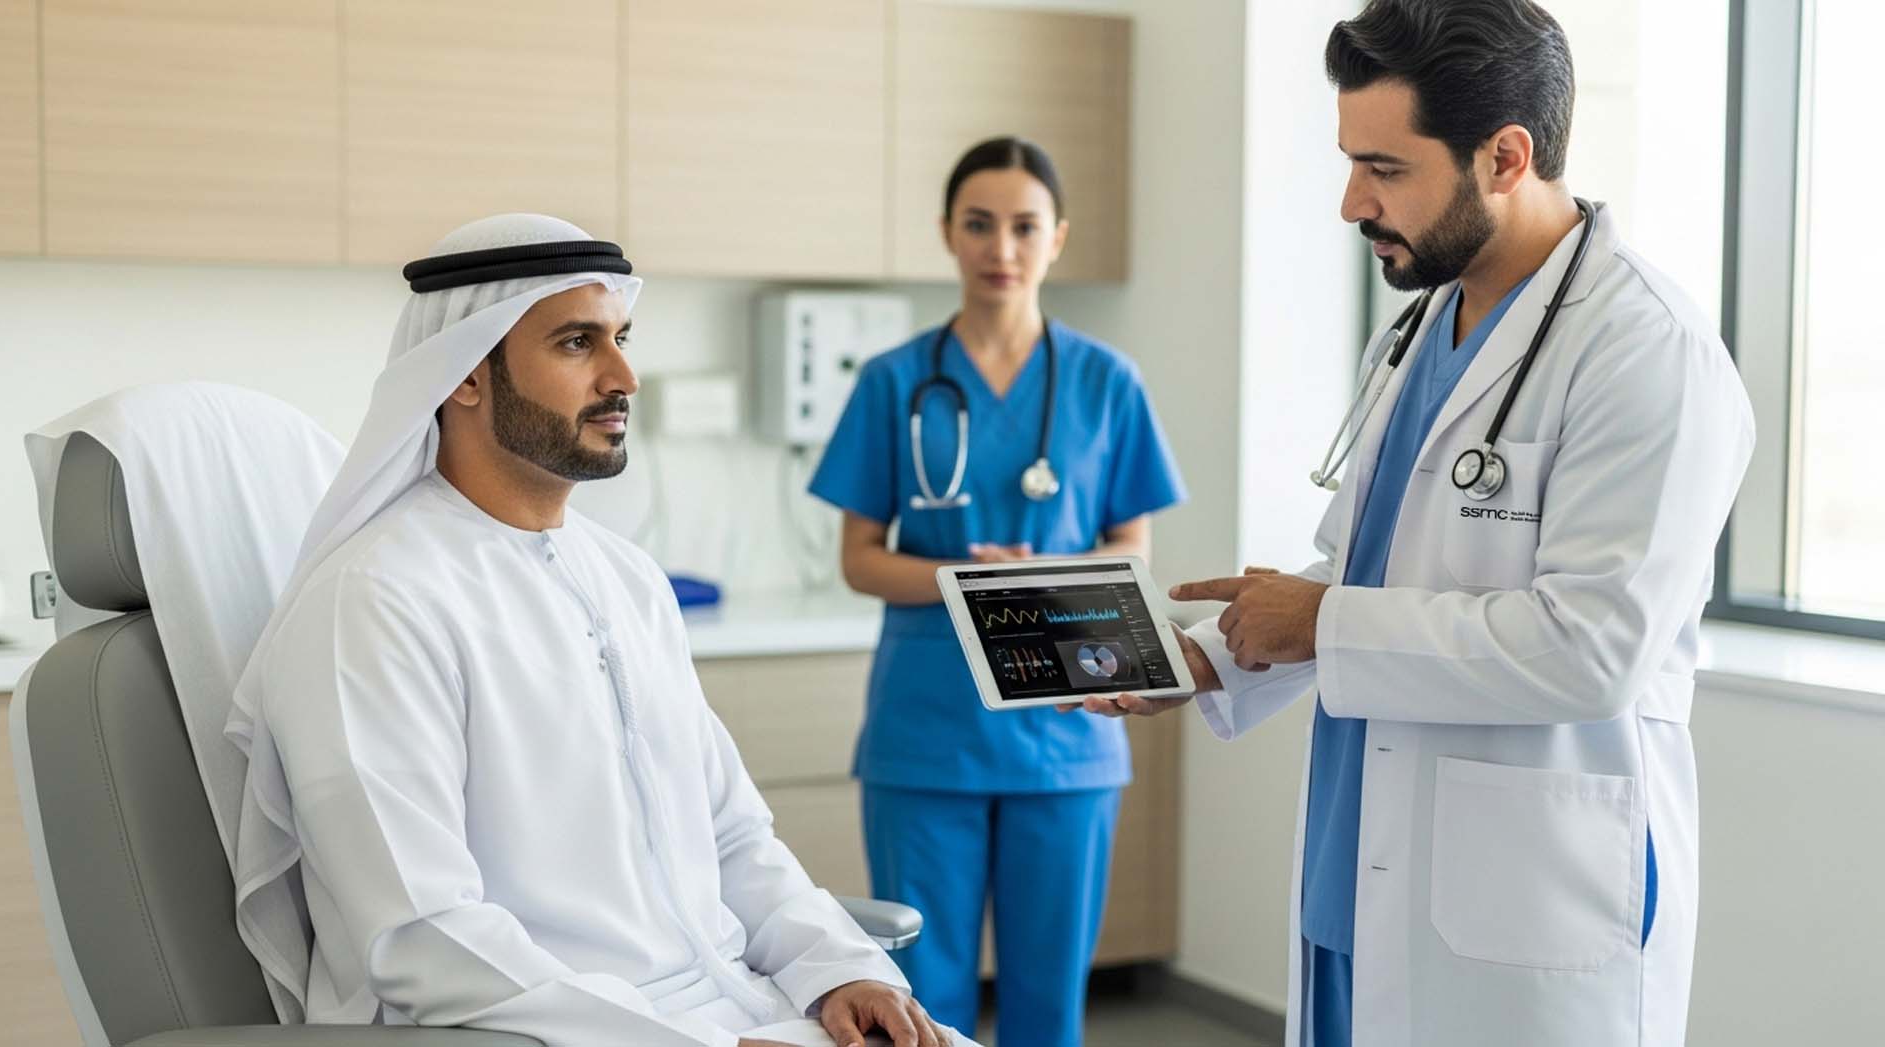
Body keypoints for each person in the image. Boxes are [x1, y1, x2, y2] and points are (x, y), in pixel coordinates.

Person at [1074, 3, 1753, 1045]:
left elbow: (1592, 651)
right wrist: (1204, 659)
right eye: (1351, 162)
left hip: (1520, 903)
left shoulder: (1643, 351)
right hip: (1361, 881)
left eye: (1386, 168)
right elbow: (1358, 571)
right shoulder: (1418, 329)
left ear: (1505, 156)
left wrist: (1318, 623)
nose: (1353, 201)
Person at [225, 213, 969, 1047]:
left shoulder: (627, 579)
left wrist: (841, 967)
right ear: (466, 375)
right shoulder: (373, 602)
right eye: (578, 343)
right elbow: (420, 936)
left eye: (621, 337)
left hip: (740, 1008)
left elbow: (729, 834)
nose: (624, 376)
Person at [808, 137, 1186, 1047]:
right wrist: (969, 583)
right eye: (979, 224)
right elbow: (861, 557)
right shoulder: (895, 380)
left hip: (1066, 733)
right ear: (948, 233)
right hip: (926, 733)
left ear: (1059, 239)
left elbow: (1132, 545)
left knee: (1047, 999)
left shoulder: (1107, 381)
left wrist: (1042, 585)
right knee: (919, 998)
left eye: (1024, 226)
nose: (1001, 247)